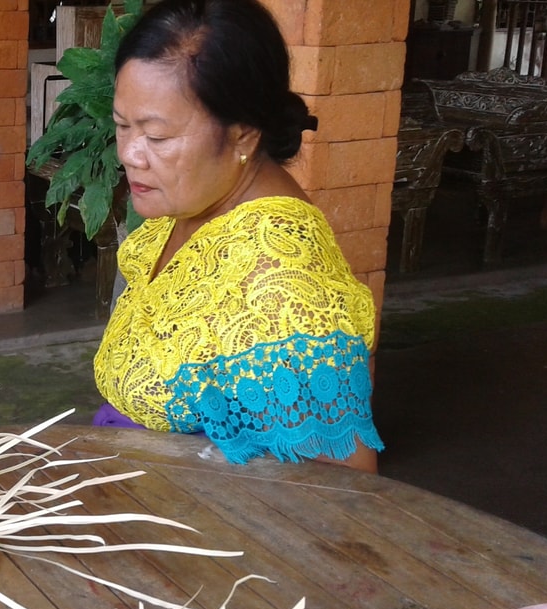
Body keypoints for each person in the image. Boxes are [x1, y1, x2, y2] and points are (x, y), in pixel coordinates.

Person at [92, 0, 384, 472]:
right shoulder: (193, 201)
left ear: (243, 134)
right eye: (122, 125)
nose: (130, 153)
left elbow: (340, 487)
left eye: (157, 137)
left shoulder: (280, 282)